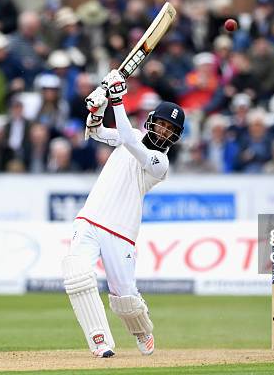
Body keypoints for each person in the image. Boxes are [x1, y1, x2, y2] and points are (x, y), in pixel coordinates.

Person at [63, 69, 185, 358]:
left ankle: (142, 331)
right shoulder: (131, 135)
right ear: (152, 122)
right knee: (77, 274)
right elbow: (98, 133)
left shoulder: (160, 163)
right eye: (162, 125)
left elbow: (130, 141)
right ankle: (100, 342)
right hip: (91, 217)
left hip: (121, 231)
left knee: (125, 297)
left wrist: (116, 100)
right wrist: (97, 110)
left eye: (170, 130)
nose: (164, 132)